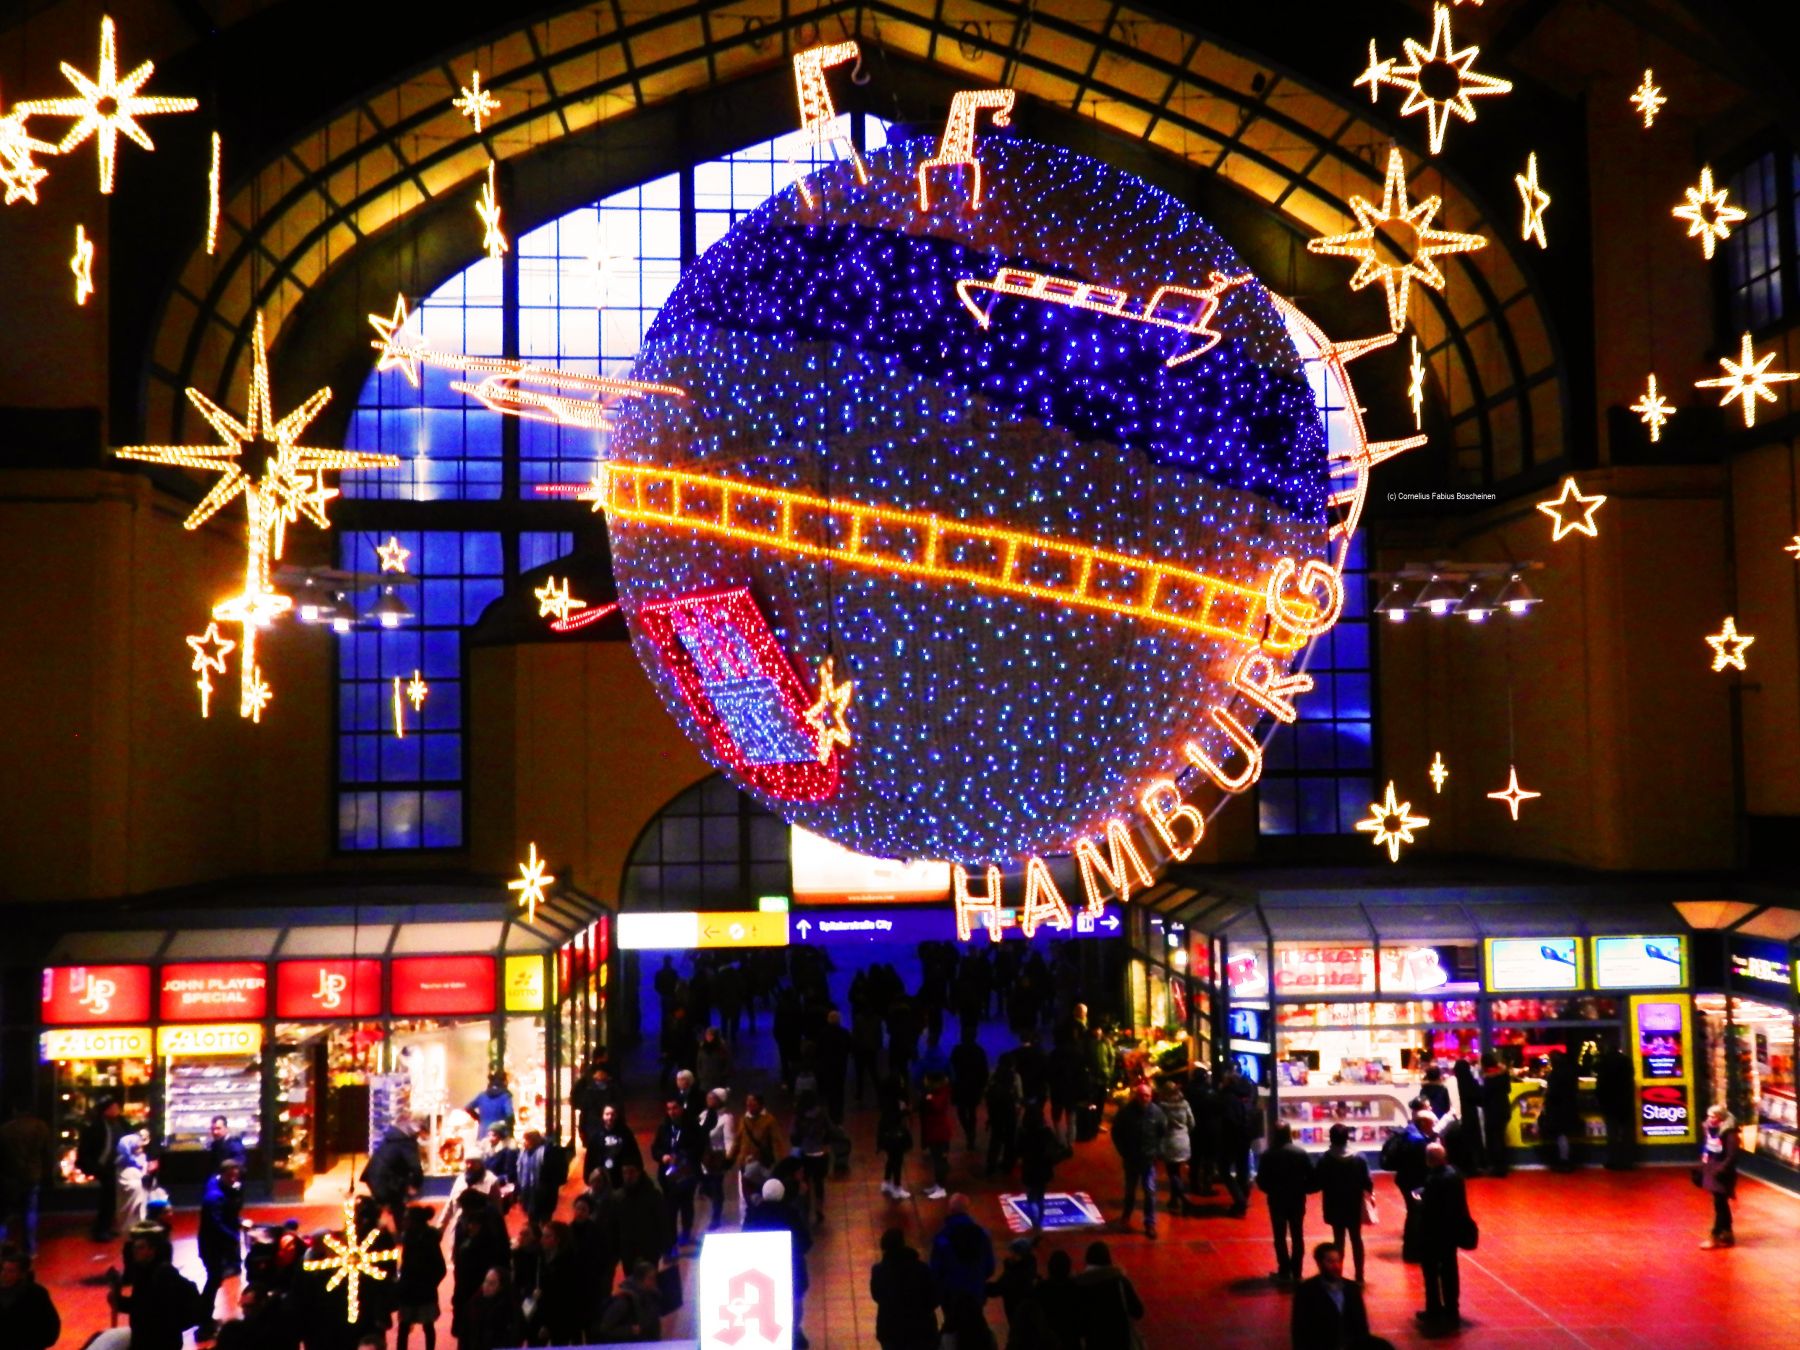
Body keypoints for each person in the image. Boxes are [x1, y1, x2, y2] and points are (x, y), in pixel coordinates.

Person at [743, 1179, 813, 1348]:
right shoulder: (791, 1214)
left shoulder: (753, 1214)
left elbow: (744, 1239)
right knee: (795, 1302)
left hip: (762, 1272)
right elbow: (806, 1242)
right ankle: (794, 1332)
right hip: (792, 1269)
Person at [108, 1230, 202, 1350]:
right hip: (146, 1338)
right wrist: (118, 1300)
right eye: (135, 1248)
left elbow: (149, 1308)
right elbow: (140, 1305)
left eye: (140, 1248)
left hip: (160, 1340)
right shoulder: (142, 1272)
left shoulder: (164, 1274)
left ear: (152, 1250)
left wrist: (120, 1302)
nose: (135, 1252)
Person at [1415, 1142, 1473, 1329]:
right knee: (1449, 1269)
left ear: (1429, 1160)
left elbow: (1430, 1205)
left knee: (1431, 1272)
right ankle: (1451, 1308)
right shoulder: (1454, 1174)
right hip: (1450, 1231)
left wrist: (1419, 1200)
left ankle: (1433, 1308)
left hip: (1433, 1232)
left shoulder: (1433, 1179)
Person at [929, 1194, 996, 1350]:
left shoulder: (942, 1238)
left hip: (951, 1296)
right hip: (975, 1293)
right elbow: (990, 1267)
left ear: (950, 1210)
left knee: (952, 1330)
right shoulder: (982, 1235)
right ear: (967, 1210)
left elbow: (935, 1270)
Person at [1256, 1122, 1317, 1284]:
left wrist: (1271, 1190)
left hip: (1277, 1199)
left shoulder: (1268, 1155)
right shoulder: (1300, 1153)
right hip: (1297, 1199)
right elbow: (1312, 1177)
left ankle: (1284, 1270)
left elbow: (1261, 1180)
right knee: (1297, 1235)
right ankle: (1297, 1271)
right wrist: (1304, 1190)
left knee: (1279, 1236)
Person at [1313, 1123, 1373, 1284]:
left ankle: (1336, 1274)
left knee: (1338, 1240)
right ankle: (1359, 1274)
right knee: (1356, 1239)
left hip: (1333, 1204)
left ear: (1331, 1138)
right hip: (1353, 1204)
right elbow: (1367, 1182)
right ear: (1348, 1137)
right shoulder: (1359, 1157)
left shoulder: (1325, 1158)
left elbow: (1317, 1182)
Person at [197, 1158, 250, 1333]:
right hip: (212, 1245)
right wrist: (234, 1235)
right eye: (231, 1176)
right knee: (214, 1280)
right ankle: (204, 1319)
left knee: (214, 1279)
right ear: (224, 1174)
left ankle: (205, 1316)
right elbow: (217, 1224)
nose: (234, 1180)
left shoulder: (220, 1186)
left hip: (214, 1243)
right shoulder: (215, 1198)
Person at [1110, 1080, 1168, 1239]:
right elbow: (1116, 1133)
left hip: (1148, 1159)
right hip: (1131, 1158)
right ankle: (1126, 1216)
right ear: (1136, 1096)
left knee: (1149, 1192)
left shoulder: (1157, 1112)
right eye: (1142, 1096)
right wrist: (1123, 1151)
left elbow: (1162, 1132)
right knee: (1130, 1190)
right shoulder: (1126, 1113)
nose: (1145, 1099)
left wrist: (1158, 1151)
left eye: (1147, 1096)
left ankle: (1150, 1223)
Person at [869, 1226, 939, 1350]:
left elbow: (877, 1295)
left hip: (890, 1328)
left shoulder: (879, 1271)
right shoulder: (921, 1268)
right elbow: (933, 1296)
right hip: (920, 1328)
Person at [1290, 1242, 1369, 1350]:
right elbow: (1300, 1328)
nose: (1336, 1266)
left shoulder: (1352, 1288)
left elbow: (1361, 1325)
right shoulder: (1306, 1291)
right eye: (1330, 1262)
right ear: (1319, 1263)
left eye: (1338, 1261)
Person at [0, 1103, 55, 1256]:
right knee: (30, 1213)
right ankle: (30, 1249)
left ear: (15, 1110)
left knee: (3, 1216)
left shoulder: (5, 1129)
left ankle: (2, 1248)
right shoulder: (40, 1127)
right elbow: (47, 1154)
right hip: (32, 1176)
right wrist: (48, 1175)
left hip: (9, 1177)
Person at [1383, 1108, 1435, 1262]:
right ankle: (1414, 1251)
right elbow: (1422, 1165)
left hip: (1405, 1179)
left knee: (1412, 1213)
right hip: (1415, 1182)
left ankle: (1411, 1249)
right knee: (1416, 1215)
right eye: (1432, 1123)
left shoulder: (1408, 1134)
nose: (1433, 1127)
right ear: (1424, 1123)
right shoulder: (1418, 1141)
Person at [652, 1096, 705, 1246]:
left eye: (675, 1108)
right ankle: (671, 1240)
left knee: (686, 1205)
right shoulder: (664, 1128)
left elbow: (700, 1146)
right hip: (668, 1176)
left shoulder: (692, 1126)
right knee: (670, 1209)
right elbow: (655, 1148)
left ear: (682, 1108)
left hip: (687, 1174)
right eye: (669, 1109)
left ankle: (686, 1233)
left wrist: (683, 1156)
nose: (672, 1112)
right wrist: (663, 1156)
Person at [1073, 1241, 1143, 1350]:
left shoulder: (1081, 1286)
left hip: (1095, 1343)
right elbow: (1138, 1311)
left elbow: (1078, 1324)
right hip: (1120, 1342)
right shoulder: (1120, 1281)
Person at [395, 1204, 446, 1350]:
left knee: (421, 1326)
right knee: (408, 1327)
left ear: (414, 1221)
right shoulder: (408, 1237)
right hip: (411, 1290)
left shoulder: (428, 1239)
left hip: (421, 1290)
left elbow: (440, 1268)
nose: (403, 1222)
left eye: (406, 1219)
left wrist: (428, 1284)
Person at [78, 1096, 125, 1241]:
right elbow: (87, 1149)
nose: (117, 1110)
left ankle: (105, 1227)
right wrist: (94, 1166)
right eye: (114, 1108)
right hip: (103, 1166)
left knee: (110, 1198)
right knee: (108, 1198)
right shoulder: (96, 1126)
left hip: (112, 1165)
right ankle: (101, 1230)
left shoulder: (117, 1123)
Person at [1217, 1065, 1261, 1217]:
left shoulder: (1227, 1097)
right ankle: (1243, 1198)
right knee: (1243, 1169)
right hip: (1246, 1136)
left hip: (1231, 1138)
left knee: (1224, 1169)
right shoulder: (1247, 1094)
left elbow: (1227, 1120)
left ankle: (1240, 1200)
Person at [364, 1117, 425, 1227]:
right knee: (397, 1205)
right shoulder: (406, 1143)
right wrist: (416, 1184)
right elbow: (415, 1167)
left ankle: (370, 1227)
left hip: (374, 1175)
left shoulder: (392, 1138)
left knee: (383, 1204)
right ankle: (401, 1234)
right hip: (387, 1181)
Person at [0, 1249, 60, 1350]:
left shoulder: (36, 1294)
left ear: (22, 1274)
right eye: (3, 1269)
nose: (4, 1274)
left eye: (11, 1271)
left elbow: (50, 1324)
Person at [1014, 1102, 1060, 1233]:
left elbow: (1017, 1150)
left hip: (1029, 1168)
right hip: (1043, 1168)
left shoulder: (1023, 1132)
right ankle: (1039, 1222)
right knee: (1040, 1196)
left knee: (1031, 1196)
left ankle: (1035, 1223)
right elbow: (1055, 1148)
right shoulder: (1046, 1132)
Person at [1699, 1104, 1740, 1249]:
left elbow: (1731, 1155)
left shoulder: (1729, 1134)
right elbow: (1707, 1149)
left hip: (1722, 1175)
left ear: (1720, 1118)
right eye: (1709, 1116)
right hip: (1712, 1171)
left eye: (1713, 1116)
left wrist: (1720, 1170)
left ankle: (1715, 1235)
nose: (1709, 1119)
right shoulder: (1710, 1130)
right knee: (1721, 1203)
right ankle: (1727, 1232)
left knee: (1720, 1205)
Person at [596, 1259, 664, 1343]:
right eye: (651, 1278)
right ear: (641, 1280)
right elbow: (605, 1328)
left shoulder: (652, 1296)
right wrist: (629, 1330)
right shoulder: (624, 1301)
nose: (654, 1282)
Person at [791, 1089, 833, 1225]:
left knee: (806, 1182)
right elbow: (830, 1130)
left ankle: (806, 1209)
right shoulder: (822, 1113)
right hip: (820, 1152)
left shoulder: (799, 1115)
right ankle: (819, 1209)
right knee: (819, 1182)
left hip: (805, 1152)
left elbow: (794, 1135)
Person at [457, 1266, 522, 1350]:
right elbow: (464, 1337)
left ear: (501, 1287)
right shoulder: (474, 1304)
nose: (486, 1286)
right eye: (485, 1281)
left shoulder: (510, 1309)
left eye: (491, 1284)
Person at [699, 1087, 737, 1230]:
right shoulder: (703, 1115)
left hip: (717, 1156)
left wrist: (728, 1157)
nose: (708, 1100)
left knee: (716, 1187)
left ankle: (716, 1216)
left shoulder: (726, 1118)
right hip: (703, 1156)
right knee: (706, 1186)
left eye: (712, 1098)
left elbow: (729, 1139)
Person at [1156, 1078, 1194, 1217]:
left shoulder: (1162, 1106)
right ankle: (1173, 1200)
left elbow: (1160, 1125)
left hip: (1169, 1141)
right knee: (1177, 1172)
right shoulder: (1184, 1104)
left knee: (1172, 1173)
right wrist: (1184, 1131)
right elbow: (1192, 1122)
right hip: (1183, 1140)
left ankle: (1183, 1199)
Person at [1596, 1044, 1635, 1169]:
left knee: (1612, 1133)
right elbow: (1631, 1078)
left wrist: (1600, 1100)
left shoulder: (1604, 1062)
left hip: (1610, 1102)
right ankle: (1627, 1162)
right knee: (1626, 1133)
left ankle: (1613, 1161)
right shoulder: (1626, 1061)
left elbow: (1600, 1084)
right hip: (1625, 1102)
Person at [949, 1028, 990, 1150]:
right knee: (972, 1111)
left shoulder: (957, 1050)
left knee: (961, 1111)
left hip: (960, 1085)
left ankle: (968, 1132)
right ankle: (971, 1134)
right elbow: (984, 1070)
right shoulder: (979, 1051)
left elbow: (951, 1067)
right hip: (974, 1086)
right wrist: (982, 1085)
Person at [1541, 1050, 1582, 1170]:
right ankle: (1566, 1159)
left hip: (1557, 1108)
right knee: (1564, 1134)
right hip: (1569, 1106)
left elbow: (1553, 1092)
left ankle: (1564, 1160)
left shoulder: (1555, 1074)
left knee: (1560, 1134)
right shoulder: (1571, 1072)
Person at [877, 1072, 914, 1201]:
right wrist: (903, 1112)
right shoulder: (894, 1101)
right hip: (894, 1136)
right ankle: (897, 1187)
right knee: (897, 1160)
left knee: (891, 1159)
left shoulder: (886, 1098)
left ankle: (887, 1182)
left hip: (887, 1135)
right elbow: (893, 1118)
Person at [985, 1051, 1023, 1177]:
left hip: (996, 1112)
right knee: (1010, 1140)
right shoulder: (1015, 1076)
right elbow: (1020, 1096)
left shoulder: (994, 1075)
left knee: (995, 1139)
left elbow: (988, 1093)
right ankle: (1007, 1166)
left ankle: (991, 1166)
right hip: (1010, 1112)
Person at [919, 1072, 955, 1200]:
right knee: (935, 1160)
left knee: (940, 1160)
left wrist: (929, 1098)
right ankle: (937, 1185)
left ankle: (941, 1187)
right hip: (934, 1131)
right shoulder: (936, 1092)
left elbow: (937, 1106)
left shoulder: (941, 1093)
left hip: (940, 1132)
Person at [732, 1092, 785, 1175]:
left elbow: (776, 1142)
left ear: (760, 1105)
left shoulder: (769, 1120)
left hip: (761, 1163)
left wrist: (779, 1163)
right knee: (745, 1186)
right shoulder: (744, 1119)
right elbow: (737, 1140)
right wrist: (729, 1158)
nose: (749, 1105)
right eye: (748, 1103)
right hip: (744, 1161)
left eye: (752, 1103)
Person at [816, 1009, 854, 1123]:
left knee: (830, 1089)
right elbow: (850, 1047)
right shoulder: (844, 1033)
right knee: (839, 1089)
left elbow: (819, 1050)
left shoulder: (823, 1033)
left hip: (827, 1065)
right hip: (841, 1064)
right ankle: (839, 1112)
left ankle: (832, 1112)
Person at [1480, 1053, 1514, 1177]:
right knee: (1500, 1137)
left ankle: (1497, 1167)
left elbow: (1484, 1095)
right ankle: (1503, 1166)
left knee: (1493, 1139)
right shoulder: (1503, 1074)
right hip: (1504, 1109)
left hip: (1492, 1111)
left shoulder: (1488, 1077)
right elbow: (1508, 1089)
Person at [115, 1129, 155, 1233]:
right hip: (132, 1197)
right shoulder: (125, 1165)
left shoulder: (141, 1160)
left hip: (142, 1197)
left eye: (141, 1147)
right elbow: (130, 1185)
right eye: (137, 1148)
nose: (141, 1150)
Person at [695, 1026, 734, 1098]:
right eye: (707, 1035)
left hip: (717, 1079)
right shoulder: (702, 1048)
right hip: (705, 1079)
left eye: (711, 1035)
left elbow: (727, 1063)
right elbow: (699, 1062)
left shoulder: (722, 1048)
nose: (709, 1037)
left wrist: (723, 1075)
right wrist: (700, 1075)